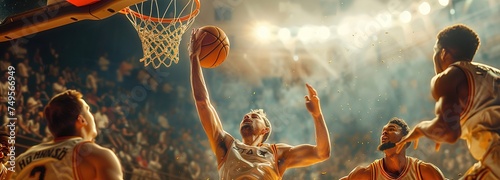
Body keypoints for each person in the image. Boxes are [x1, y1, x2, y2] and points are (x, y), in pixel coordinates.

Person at [188, 29, 331, 179]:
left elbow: (321, 153)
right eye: (246, 116)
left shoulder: (278, 153)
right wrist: (194, 58)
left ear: (265, 130)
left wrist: (317, 115)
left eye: (254, 116)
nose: (247, 117)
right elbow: (203, 103)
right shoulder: (226, 144)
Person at [396, 24, 500, 179]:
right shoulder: (495, 73)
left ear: (443, 53)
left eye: (434, 51)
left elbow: (449, 133)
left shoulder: (447, 78)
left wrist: (421, 128)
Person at [14, 90, 123, 179]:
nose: (93, 115)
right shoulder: (97, 156)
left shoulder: (21, 158)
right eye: (88, 110)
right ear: (82, 120)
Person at [340, 118, 445, 180]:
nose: (384, 133)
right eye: (383, 131)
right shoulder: (365, 174)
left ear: (405, 138)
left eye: (391, 129)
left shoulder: (425, 172)